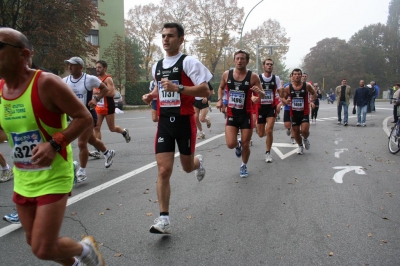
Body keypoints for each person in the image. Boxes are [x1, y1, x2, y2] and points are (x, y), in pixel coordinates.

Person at [0, 28, 104, 266]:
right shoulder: (1, 90)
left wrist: (55, 144)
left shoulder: (46, 83)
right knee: (33, 241)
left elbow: (84, 118)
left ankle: (84, 249)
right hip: (23, 177)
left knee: (43, 246)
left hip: (53, 175)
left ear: (23, 54)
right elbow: (7, 132)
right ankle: (76, 263)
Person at [141, 23, 211, 234]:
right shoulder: (157, 66)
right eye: (163, 36)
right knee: (163, 171)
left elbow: (205, 90)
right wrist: (151, 95)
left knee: (187, 167)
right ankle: (164, 219)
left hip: (184, 122)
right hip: (164, 123)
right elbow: (157, 87)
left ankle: (199, 163)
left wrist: (179, 87)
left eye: (170, 36)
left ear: (181, 39)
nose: (165, 39)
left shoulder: (188, 62)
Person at [63, 57, 115, 182]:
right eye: (68, 65)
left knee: (82, 143)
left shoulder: (89, 79)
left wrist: (96, 99)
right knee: (92, 140)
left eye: (73, 65)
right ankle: (108, 153)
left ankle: (82, 171)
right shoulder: (65, 81)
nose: (69, 67)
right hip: (74, 117)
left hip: (88, 116)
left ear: (80, 67)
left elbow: (106, 89)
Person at [216, 49, 264, 177]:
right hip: (232, 114)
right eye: (237, 58)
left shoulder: (253, 77)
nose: (239, 61)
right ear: (234, 60)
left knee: (246, 143)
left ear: (247, 61)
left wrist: (257, 95)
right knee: (230, 144)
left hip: (246, 114)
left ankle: (244, 165)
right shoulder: (227, 74)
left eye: (242, 58)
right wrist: (220, 100)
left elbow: (262, 94)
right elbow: (221, 88)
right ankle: (237, 144)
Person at [92, 60, 131, 148]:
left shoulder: (108, 79)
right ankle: (98, 149)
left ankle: (124, 132)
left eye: (99, 67)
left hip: (108, 106)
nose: (97, 69)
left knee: (112, 128)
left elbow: (111, 93)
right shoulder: (96, 79)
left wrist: (97, 92)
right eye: (96, 67)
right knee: (96, 128)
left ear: (105, 68)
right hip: (99, 106)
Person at [279, 68, 316, 155]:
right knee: (295, 132)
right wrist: (285, 101)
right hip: (294, 113)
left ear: (301, 75)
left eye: (299, 74)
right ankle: (300, 145)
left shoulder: (306, 86)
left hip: (304, 112)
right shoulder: (288, 88)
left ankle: (305, 139)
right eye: (295, 74)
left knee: (304, 131)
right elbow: (283, 97)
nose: (297, 76)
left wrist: (311, 101)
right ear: (292, 76)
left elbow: (314, 93)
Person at [255, 58, 281, 163]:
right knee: (261, 134)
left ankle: (268, 152)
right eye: (267, 64)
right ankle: (265, 134)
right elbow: (252, 92)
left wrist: (280, 103)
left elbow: (280, 93)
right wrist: (253, 98)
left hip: (271, 107)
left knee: (269, 130)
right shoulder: (257, 78)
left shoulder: (276, 79)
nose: (269, 66)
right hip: (260, 108)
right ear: (263, 66)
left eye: (271, 64)